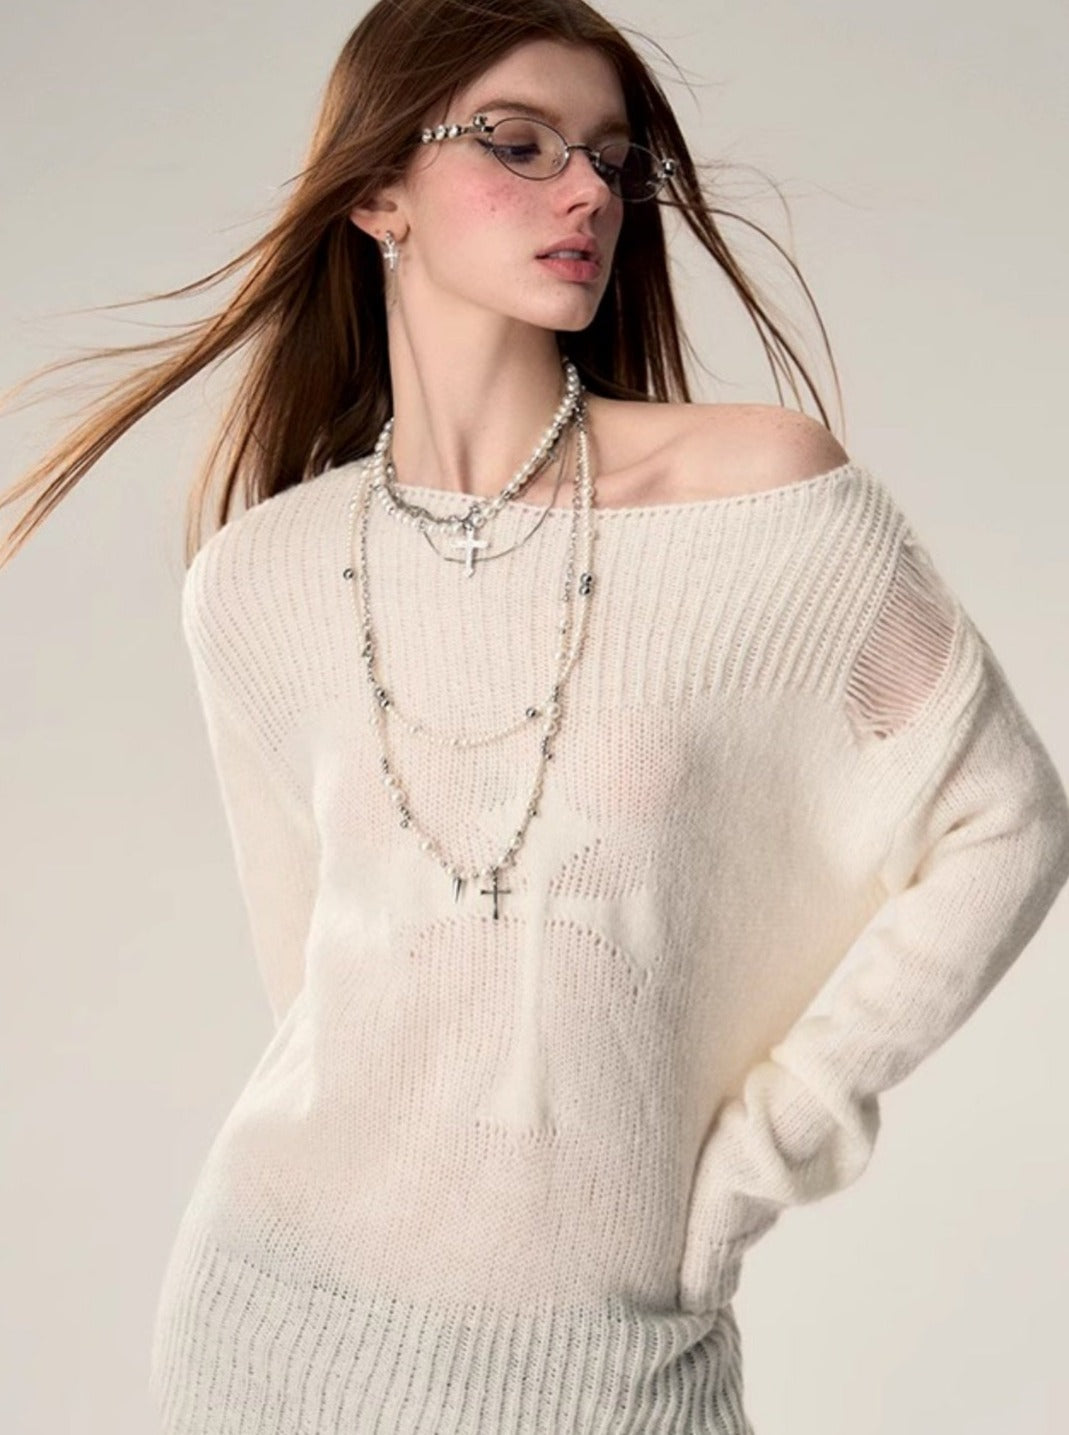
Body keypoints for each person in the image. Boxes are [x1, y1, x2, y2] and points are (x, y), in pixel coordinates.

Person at [3, 3, 1068, 1432]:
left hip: (611, 1352)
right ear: (378, 192)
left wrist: (763, 1155)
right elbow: (320, 993)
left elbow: (1005, 822)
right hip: (270, 1327)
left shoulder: (764, 507)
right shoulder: (257, 583)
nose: (587, 194)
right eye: (519, 145)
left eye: (612, 160)